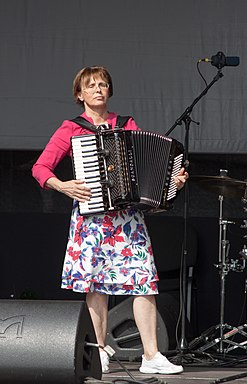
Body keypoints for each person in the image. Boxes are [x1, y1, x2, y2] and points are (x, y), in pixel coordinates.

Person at [32, 65, 188, 375]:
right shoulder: (71, 129)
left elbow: (145, 167)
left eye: (103, 84)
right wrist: (63, 186)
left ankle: (151, 355)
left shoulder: (126, 124)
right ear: (80, 94)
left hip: (127, 219)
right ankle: (100, 350)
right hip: (91, 220)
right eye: (91, 86)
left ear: (109, 91)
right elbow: (41, 169)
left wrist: (172, 182)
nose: (98, 89)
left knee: (143, 282)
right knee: (96, 285)